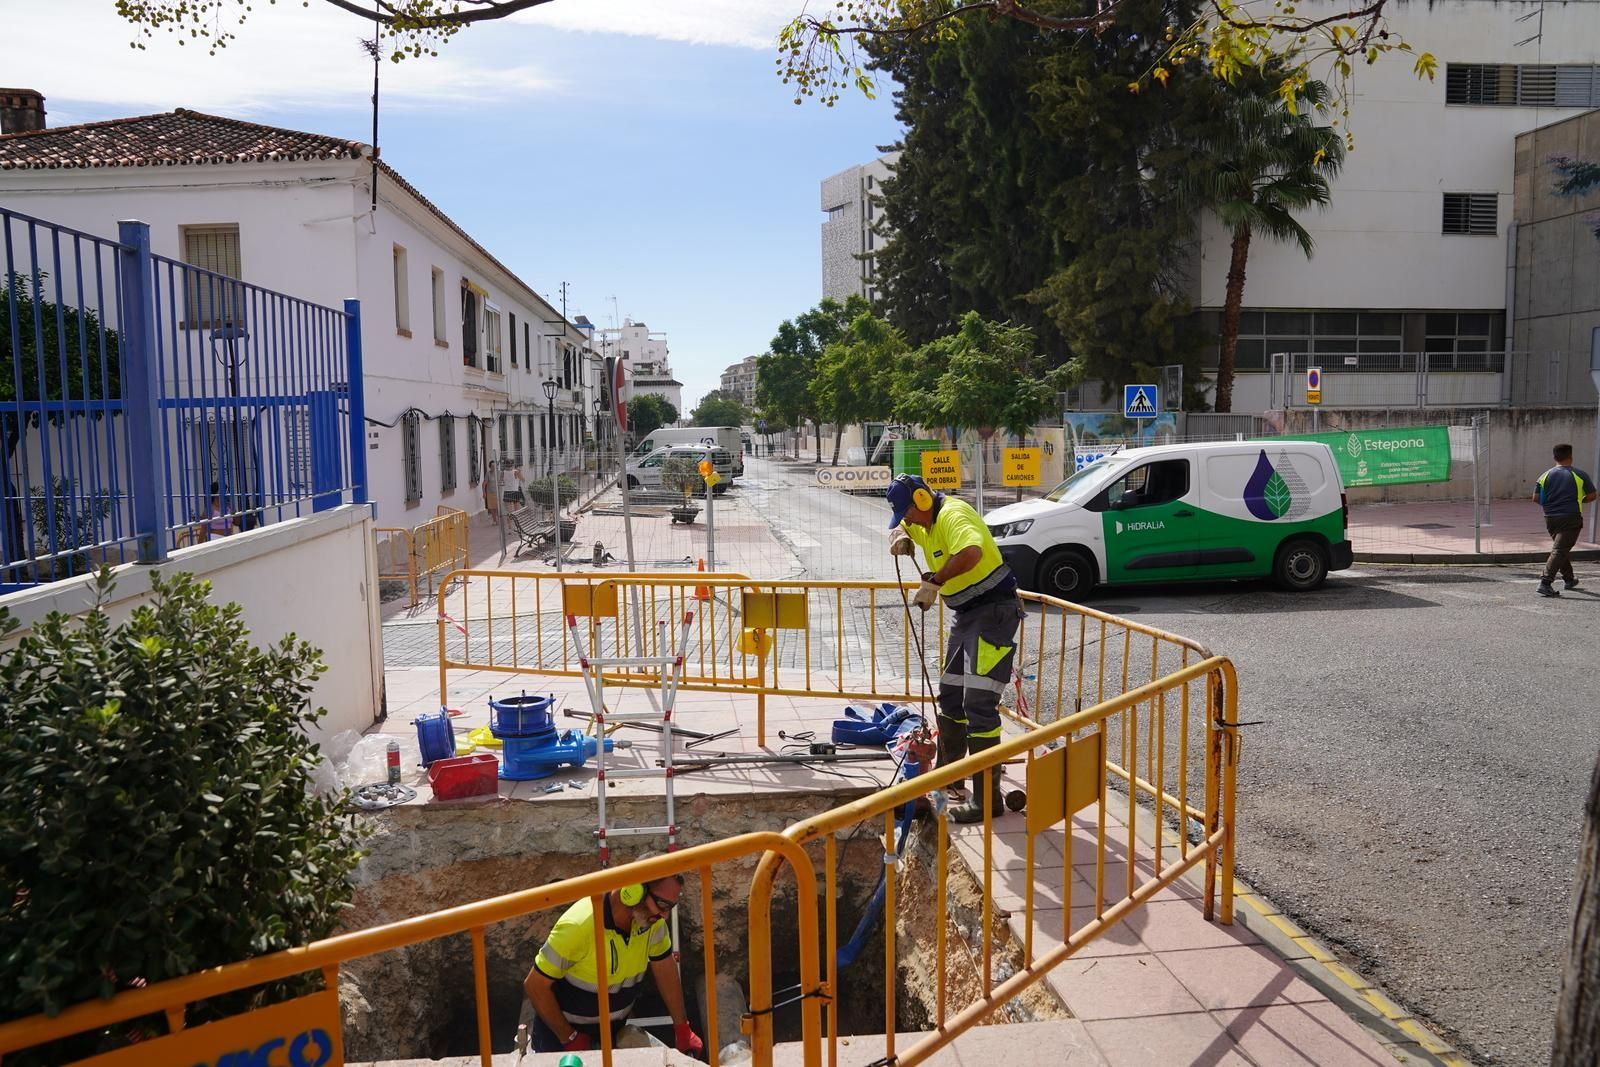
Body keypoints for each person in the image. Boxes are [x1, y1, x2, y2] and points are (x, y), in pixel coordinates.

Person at [886, 473, 1023, 824]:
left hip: (993, 613)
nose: (908, 519)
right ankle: (950, 774)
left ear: (921, 500)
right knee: (950, 695)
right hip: (967, 616)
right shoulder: (924, 522)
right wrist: (899, 535)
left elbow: (972, 551)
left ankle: (987, 799)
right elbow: (902, 528)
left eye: (908, 513)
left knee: (978, 702)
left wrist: (936, 580)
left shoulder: (952, 515)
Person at [521, 864, 704, 1057]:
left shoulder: (651, 923)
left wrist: (682, 1028)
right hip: (560, 1042)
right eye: (662, 905)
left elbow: (664, 967)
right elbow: (535, 985)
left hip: (611, 1035)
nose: (665, 915)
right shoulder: (580, 926)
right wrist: (569, 1037)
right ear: (633, 892)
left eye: (671, 907)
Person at [1533, 443, 1596, 598]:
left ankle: (1569, 579)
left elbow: (1535, 498)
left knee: (1561, 547)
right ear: (1571, 457)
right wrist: (1580, 500)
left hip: (1550, 518)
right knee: (1560, 549)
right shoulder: (1580, 474)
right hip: (1571, 516)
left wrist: (1551, 505)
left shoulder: (1544, 475)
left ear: (1554, 457)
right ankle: (1545, 582)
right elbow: (1592, 495)